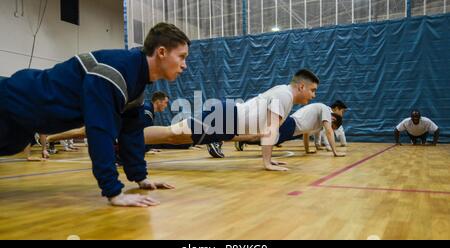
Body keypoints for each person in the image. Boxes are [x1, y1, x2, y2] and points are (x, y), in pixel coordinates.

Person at [0, 23, 190, 207]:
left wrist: (141, 178)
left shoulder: (136, 84)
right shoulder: (115, 72)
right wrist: (114, 192)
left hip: (24, 122)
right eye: (182, 57)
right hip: (11, 98)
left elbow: (131, 132)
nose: (185, 65)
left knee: (14, 145)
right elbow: (100, 130)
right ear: (162, 52)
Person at [144, 69, 320, 171]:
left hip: (227, 123)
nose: (313, 95)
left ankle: (130, 140)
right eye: (312, 90)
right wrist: (267, 163)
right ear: (301, 86)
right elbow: (271, 130)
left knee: (175, 137)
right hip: (225, 116)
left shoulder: (285, 94)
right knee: (172, 133)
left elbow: (264, 131)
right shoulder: (284, 95)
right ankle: (125, 138)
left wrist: (269, 159)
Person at [233, 103, 346, 158]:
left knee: (267, 140)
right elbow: (329, 131)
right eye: (333, 126)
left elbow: (305, 134)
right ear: (333, 118)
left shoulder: (318, 123)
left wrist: (307, 150)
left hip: (293, 130)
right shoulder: (326, 109)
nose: (331, 128)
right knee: (266, 138)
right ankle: (235, 136)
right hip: (291, 124)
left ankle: (241, 140)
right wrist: (335, 152)